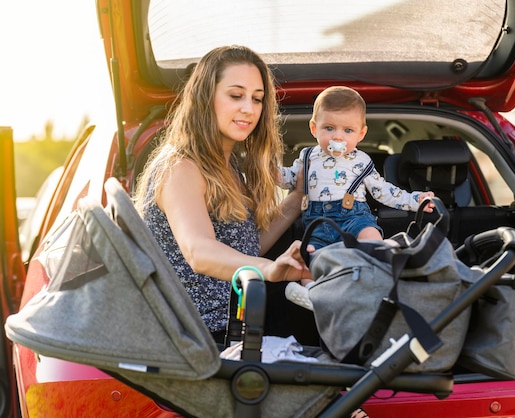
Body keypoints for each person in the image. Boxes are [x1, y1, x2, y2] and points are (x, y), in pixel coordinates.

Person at [133, 45, 311, 343]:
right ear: (206, 98)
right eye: (235, 95)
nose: (249, 108)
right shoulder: (181, 167)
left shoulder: (228, 165)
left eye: (257, 99)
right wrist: (270, 270)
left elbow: (245, 247)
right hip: (197, 340)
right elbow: (199, 252)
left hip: (237, 324)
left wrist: (296, 200)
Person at [280, 86, 435, 309]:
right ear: (314, 128)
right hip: (316, 223)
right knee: (309, 260)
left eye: (348, 131)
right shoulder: (307, 156)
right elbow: (289, 177)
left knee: (371, 236)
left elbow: (383, 191)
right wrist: (269, 172)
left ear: (361, 134)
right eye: (329, 128)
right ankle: (313, 295)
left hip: (353, 217)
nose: (338, 137)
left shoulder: (362, 161)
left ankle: (375, 280)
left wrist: (414, 201)